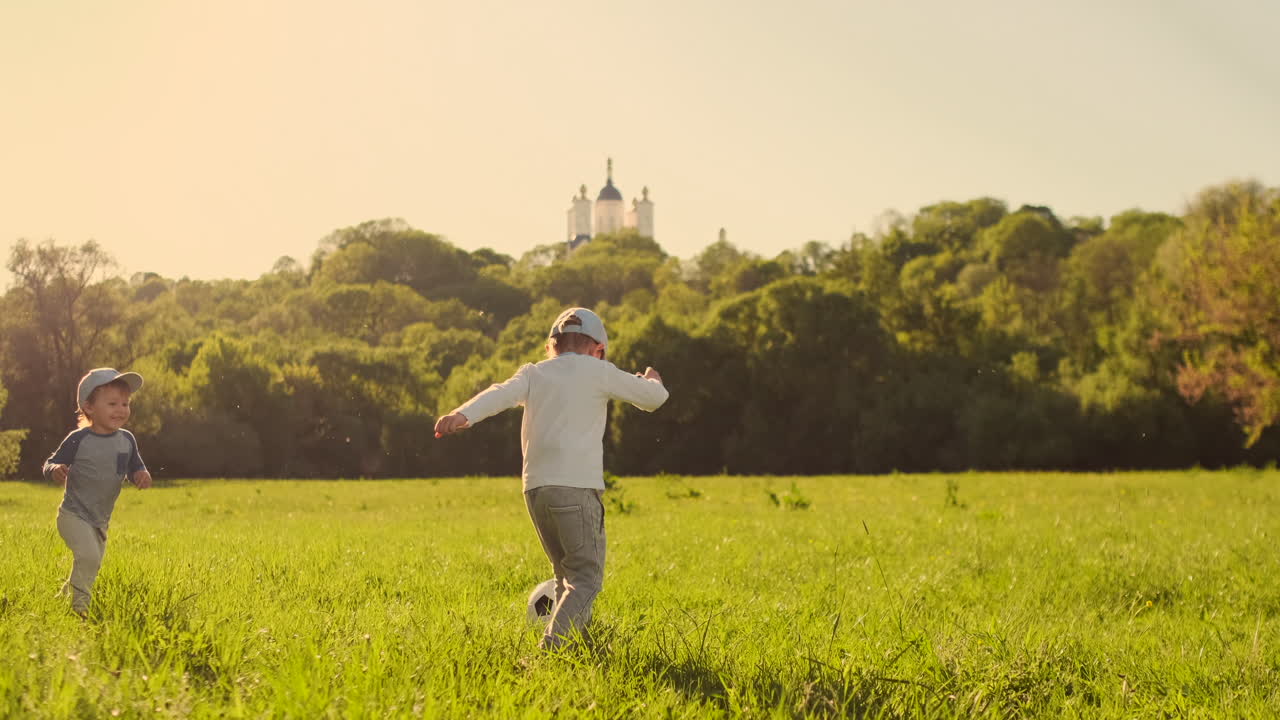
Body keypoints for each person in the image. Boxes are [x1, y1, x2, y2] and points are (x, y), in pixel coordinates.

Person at [434, 307, 668, 649]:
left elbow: (498, 394)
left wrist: (461, 415)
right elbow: (653, 400)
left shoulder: (534, 374)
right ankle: (554, 650)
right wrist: (652, 379)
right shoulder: (598, 371)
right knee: (586, 578)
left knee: (564, 577)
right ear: (598, 348)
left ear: (551, 347)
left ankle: (574, 647)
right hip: (576, 490)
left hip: (536, 490)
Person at [43, 368, 152, 618]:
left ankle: (63, 596)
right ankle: (79, 609)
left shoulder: (127, 440)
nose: (121, 409)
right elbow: (50, 461)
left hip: (100, 521)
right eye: (112, 403)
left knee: (92, 563)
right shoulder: (79, 439)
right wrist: (54, 470)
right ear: (89, 407)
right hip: (73, 515)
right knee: (89, 556)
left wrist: (140, 474)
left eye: (125, 403)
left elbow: (135, 465)